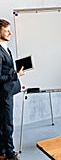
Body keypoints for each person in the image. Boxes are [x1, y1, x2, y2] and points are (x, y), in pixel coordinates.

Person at [0, 19, 25, 160]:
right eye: (6, 30)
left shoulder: (5, 47)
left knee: (4, 123)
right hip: (4, 94)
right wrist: (16, 74)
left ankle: (2, 151)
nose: (10, 32)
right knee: (7, 124)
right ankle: (10, 153)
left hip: (7, 92)